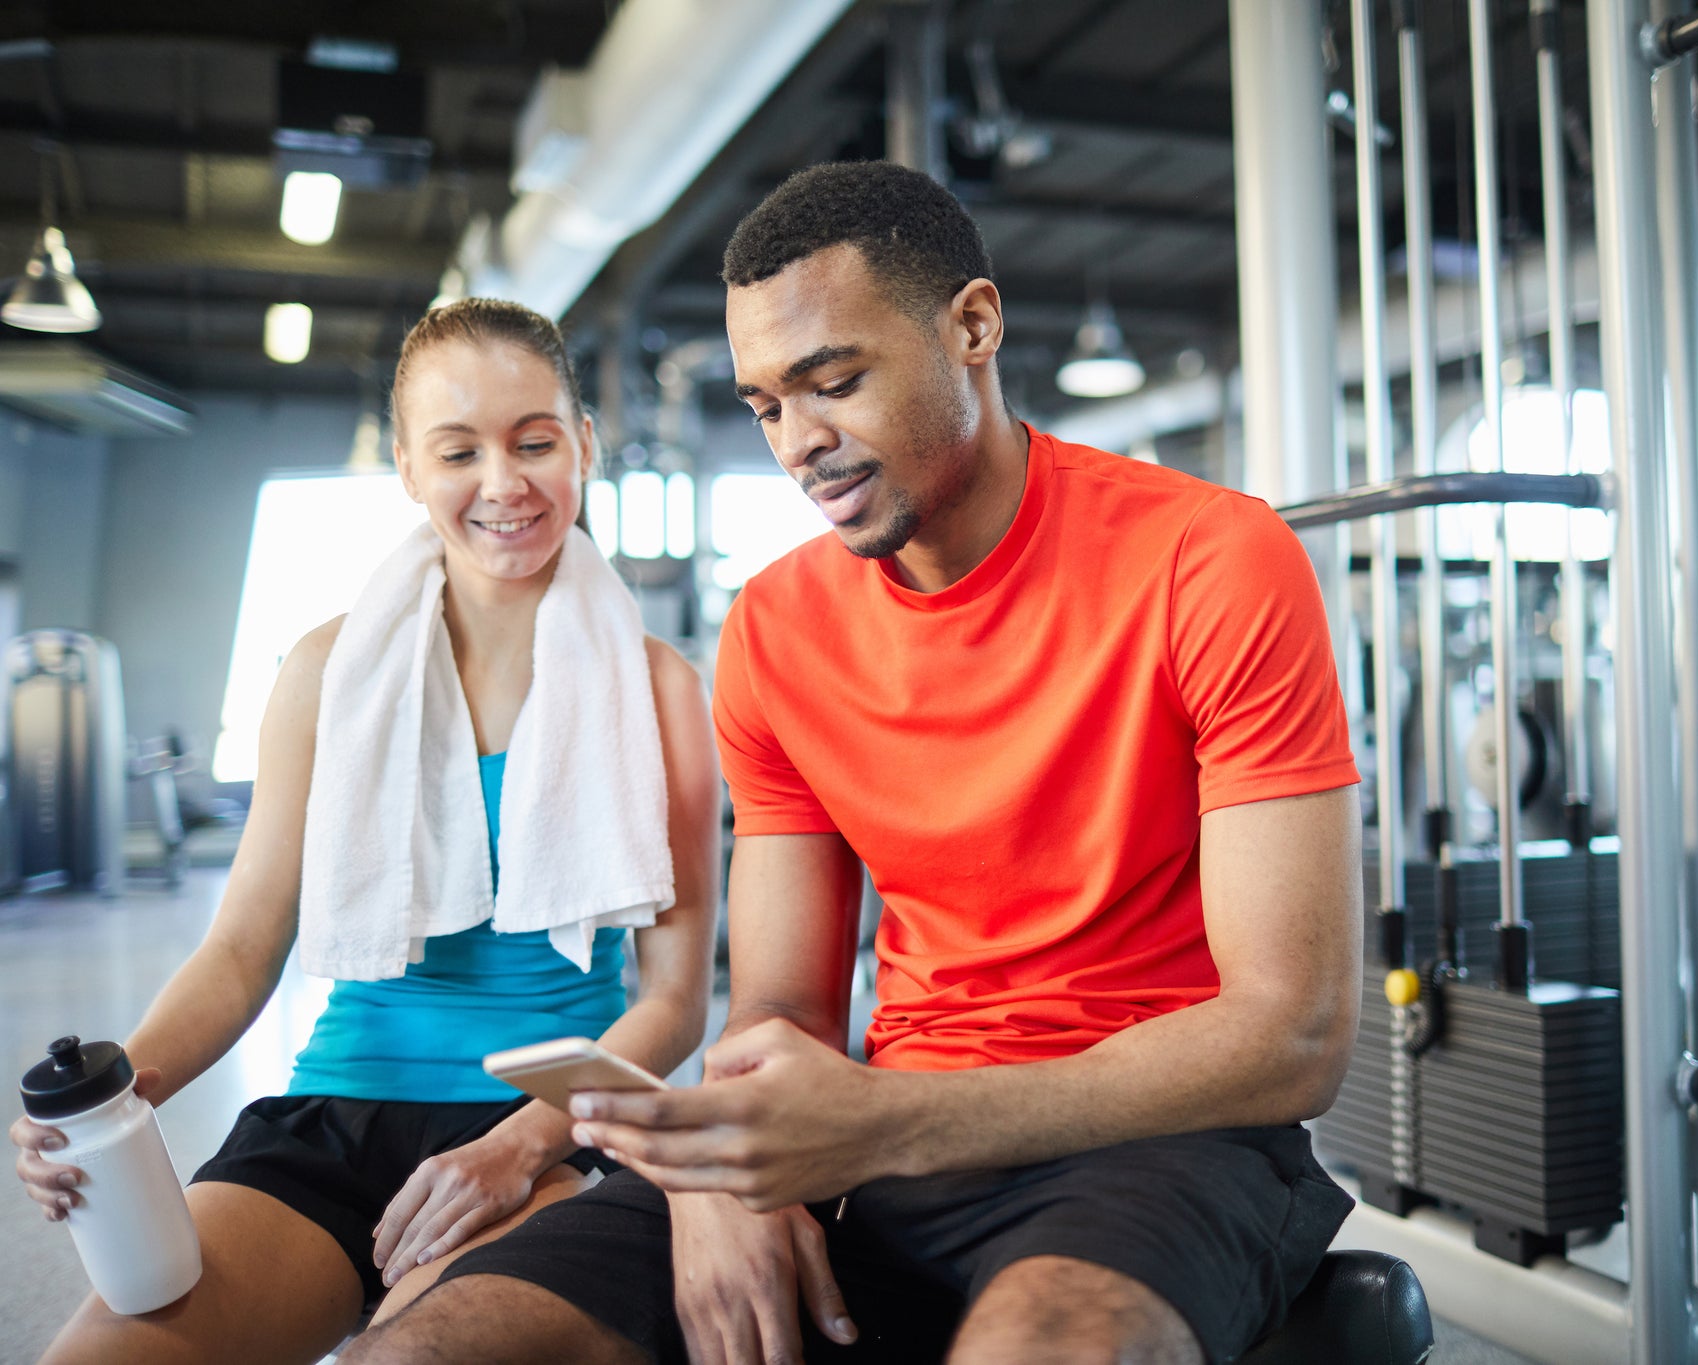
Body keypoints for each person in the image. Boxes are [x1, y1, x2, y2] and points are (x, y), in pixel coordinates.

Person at [349, 162, 1363, 1365]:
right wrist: (728, 1176)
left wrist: (886, 1124)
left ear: (971, 328)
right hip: (869, 1136)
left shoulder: (1210, 558)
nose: (799, 443)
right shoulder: (776, 631)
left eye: (834, 383)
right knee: (424, 1350)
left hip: (1156, 1140)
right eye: (767, 404)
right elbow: (780, 1006)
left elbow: (1291, 1033)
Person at [11, 299, 720, 1365]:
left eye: (535, 441)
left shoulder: (659, 691)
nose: (503, 483)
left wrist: (519, 1146)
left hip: (536, 1129)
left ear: (583, 443)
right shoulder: (326, 672)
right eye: (458, 450)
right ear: (406, 468)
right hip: (332, 1115)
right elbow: (244, 946)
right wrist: (119, 1090)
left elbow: (671, 1002)